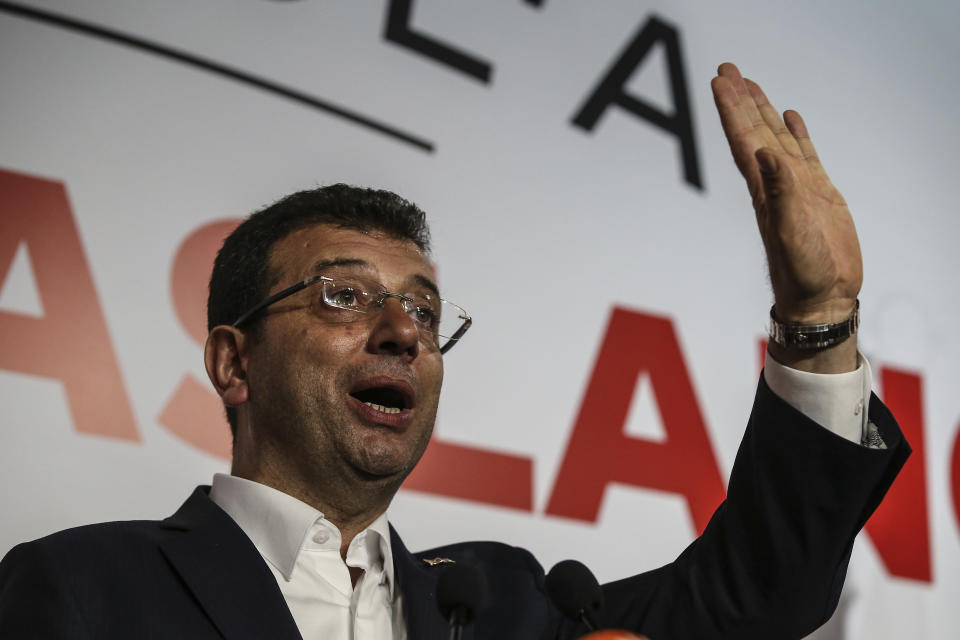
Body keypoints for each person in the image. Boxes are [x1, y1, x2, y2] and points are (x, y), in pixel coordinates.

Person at [0, 63, 909, 639]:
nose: (402, 331)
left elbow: (756, 596)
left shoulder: (509, 601)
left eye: (425, 312)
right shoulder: (81, 587)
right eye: (344, 296)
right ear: (234, 363)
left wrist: (818, 311)